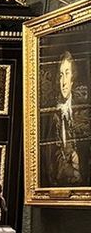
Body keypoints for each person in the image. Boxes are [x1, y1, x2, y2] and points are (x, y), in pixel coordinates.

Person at [43, 51, 90, 187]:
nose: (63, 82)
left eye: (67, 73)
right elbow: (49, 153)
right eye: (61, 75)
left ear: (73, 78)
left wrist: (78, 157)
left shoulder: (83, 109)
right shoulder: (53, 114)